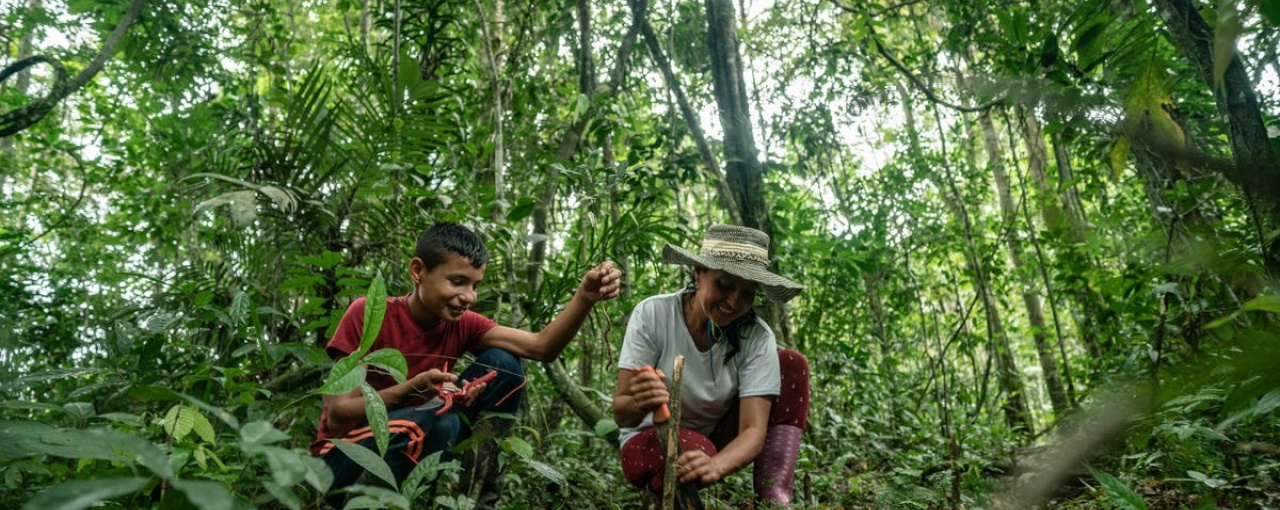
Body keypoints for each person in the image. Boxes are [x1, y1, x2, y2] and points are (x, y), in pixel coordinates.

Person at [311, 222, 622, 507]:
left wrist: (585, 297)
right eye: (457, 282)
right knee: (432, 420)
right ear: (418, 270)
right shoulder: (369, 312)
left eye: (475, 285)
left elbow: (541, 347)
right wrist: (415, 388)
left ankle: (475, 498)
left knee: (504, 366)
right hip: (342, 459)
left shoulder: (462, 324)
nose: (468, 296)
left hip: (420, 435)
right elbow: (339, 417)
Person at [613, 224, 810, 506]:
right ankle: (665, 499)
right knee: (689, 452)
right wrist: (641, 401)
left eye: (747, 293)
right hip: (650, 435)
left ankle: (773, 500)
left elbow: (753, 431)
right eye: (725, 285)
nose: (734, 301)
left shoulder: (755, 335)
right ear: (698, 273)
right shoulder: (653, 314)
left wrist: (717, 465)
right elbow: (622, 414)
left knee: (791, 364)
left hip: (712, 438)